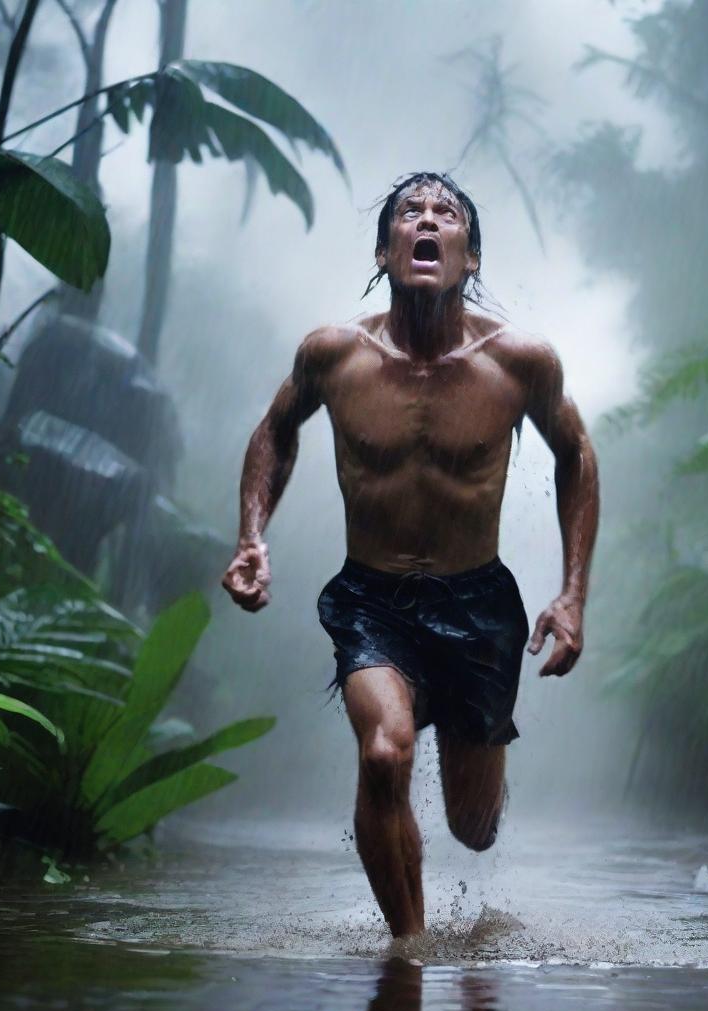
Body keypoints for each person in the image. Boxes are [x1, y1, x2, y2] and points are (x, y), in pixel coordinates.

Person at [222, 172, 600, 939]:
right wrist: (251, 533)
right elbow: (276, 429)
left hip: (477, 607)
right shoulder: (334, 355)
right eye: (409, 213)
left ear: (469, 257)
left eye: (446, 214)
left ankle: (453, 875)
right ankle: (410, 956)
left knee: (474, 827)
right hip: (373, 602)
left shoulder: (519, 362)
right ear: (386, 247)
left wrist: (572, 593)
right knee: (386, 755)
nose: (426, 220)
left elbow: (578, 456)